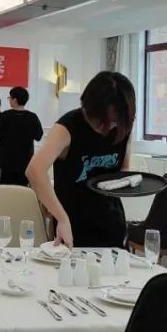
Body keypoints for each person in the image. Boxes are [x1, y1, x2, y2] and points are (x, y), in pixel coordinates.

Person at [27, 71, 136, 248]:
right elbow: (34, 171)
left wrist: (127, 184)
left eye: (114, 121)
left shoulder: (123, 126)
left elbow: (123, 170)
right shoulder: (68, 127)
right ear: (88, 108)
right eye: (103, 120)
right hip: (72, 224)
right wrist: (61, 218)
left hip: (111, 220)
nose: (108, 127)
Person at [0, 86, 43, 187]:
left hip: (7, 162)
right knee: (23, 191)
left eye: (10, 98)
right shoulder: (32, 117)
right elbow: (39, 136)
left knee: (5, 190)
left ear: (15, 100)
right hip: (26, 162)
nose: (9, 100)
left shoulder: (5, 116)